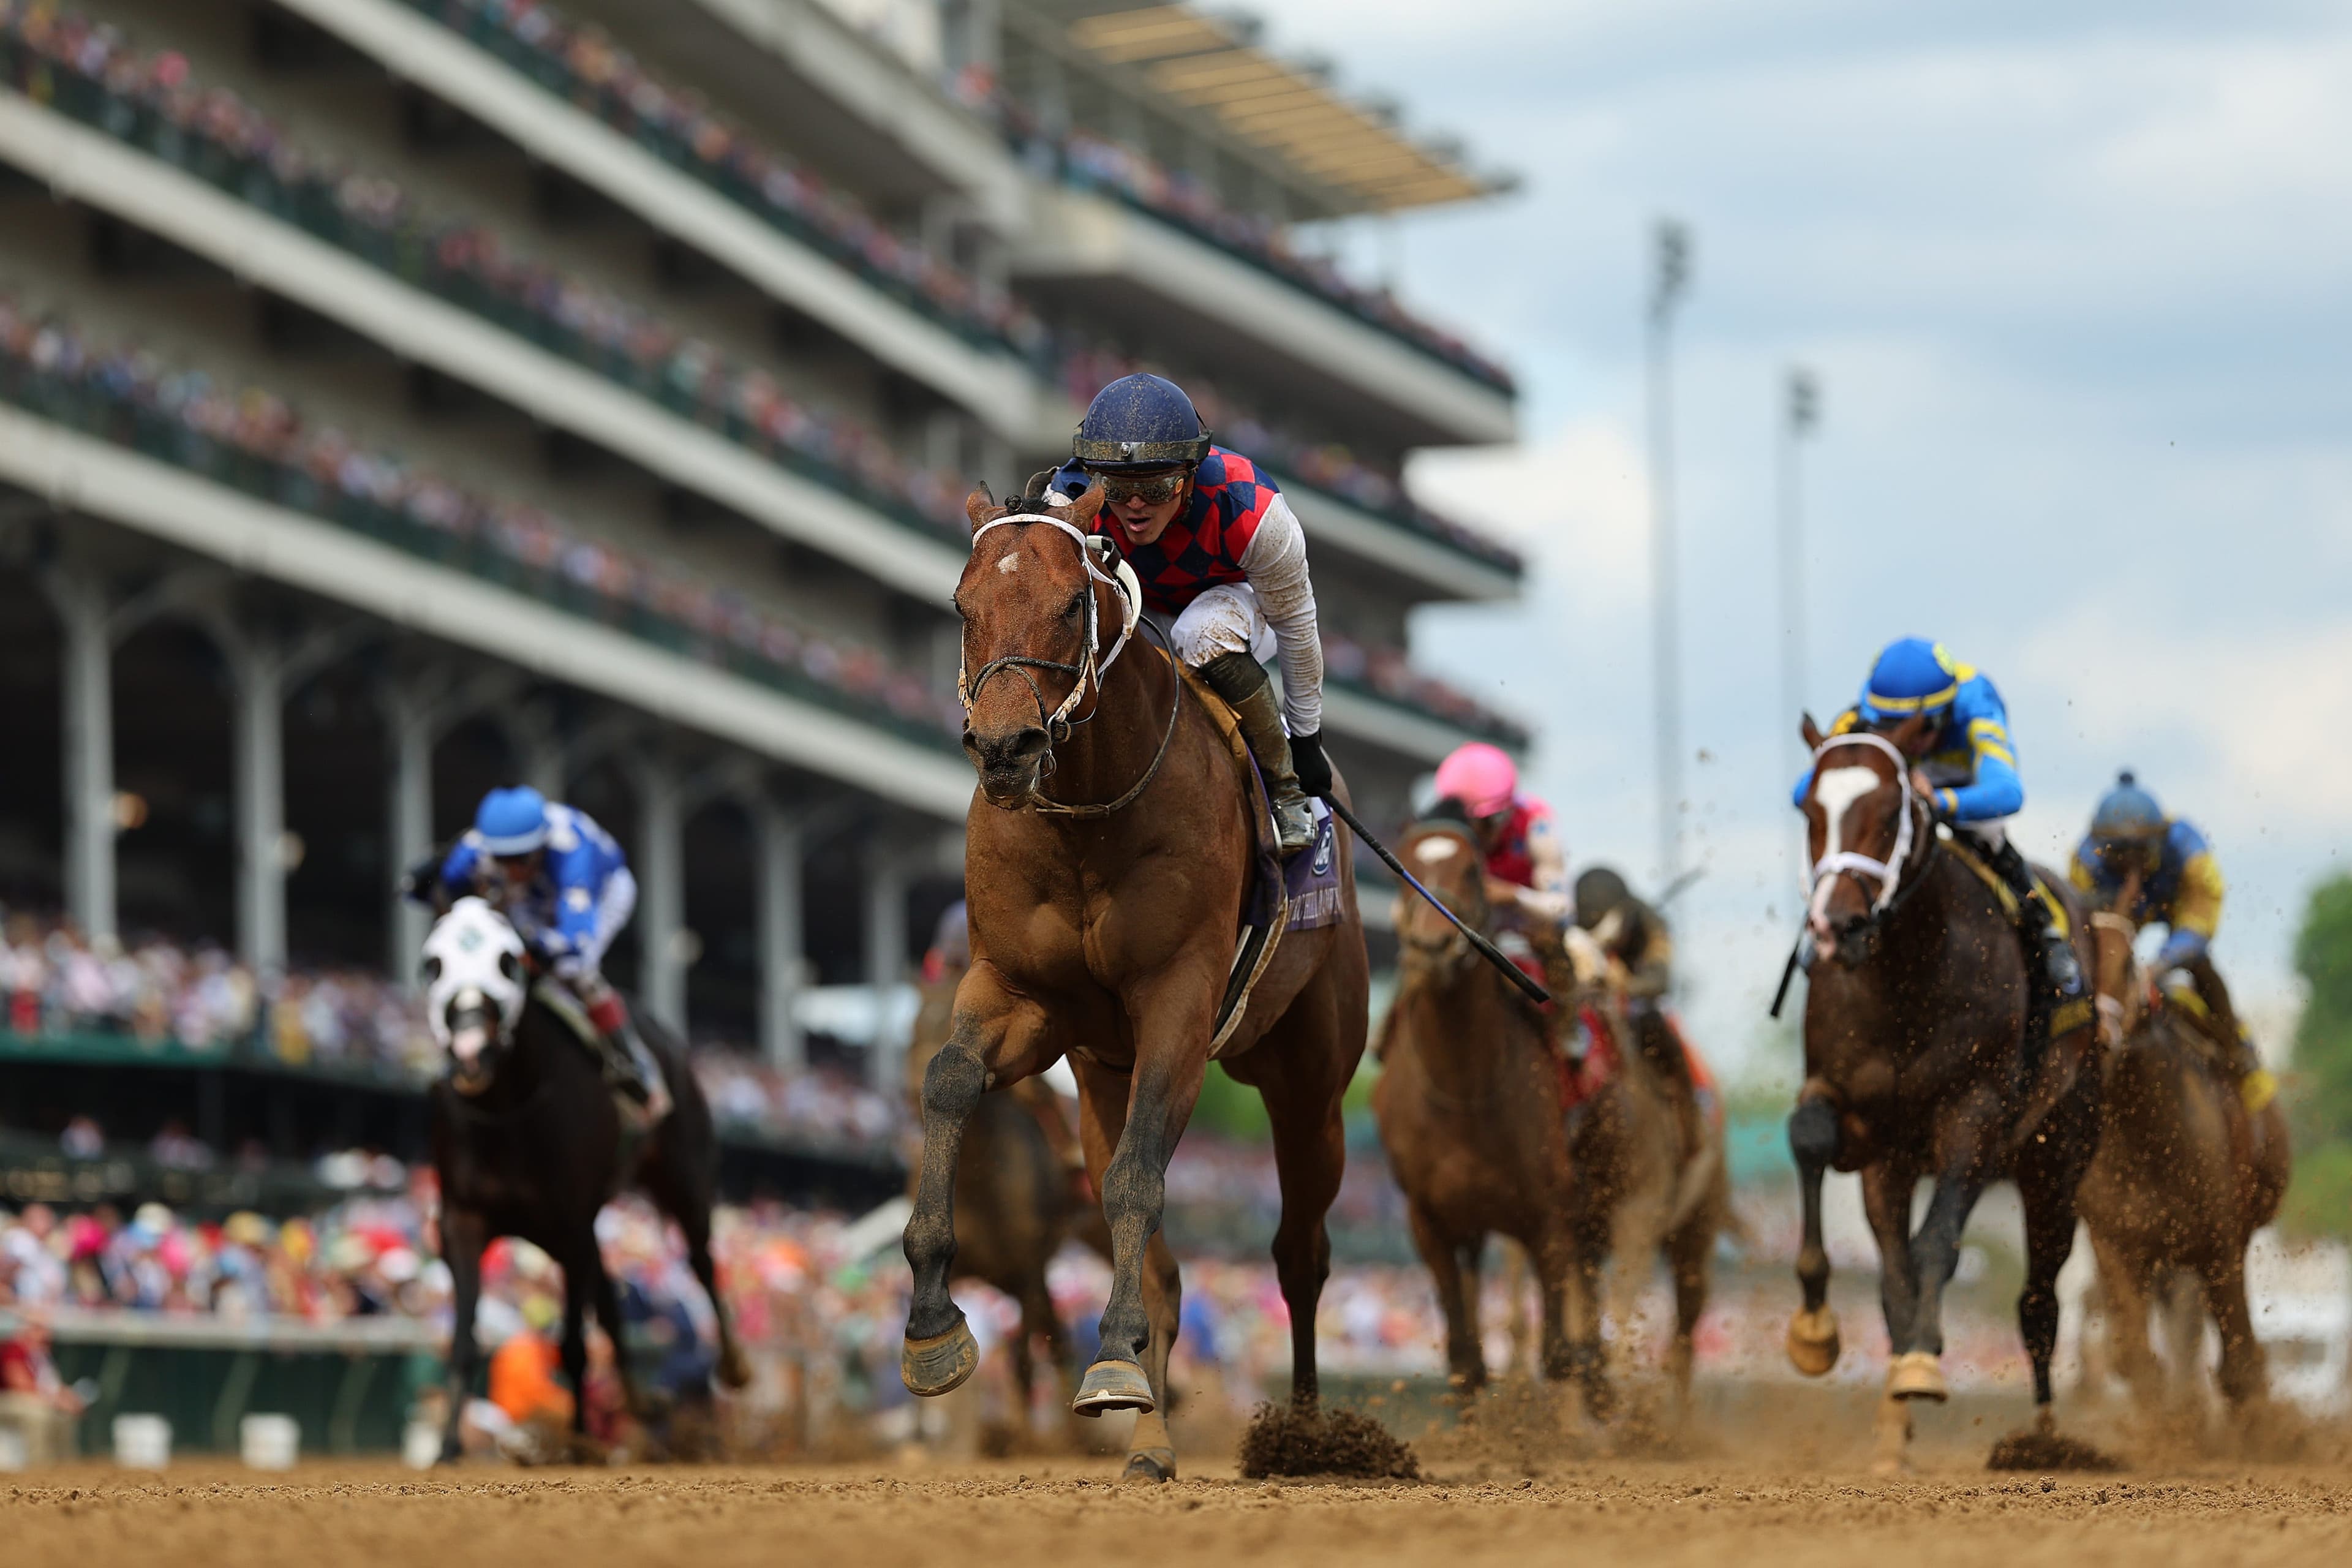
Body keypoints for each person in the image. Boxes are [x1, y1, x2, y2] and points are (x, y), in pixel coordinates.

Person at [1033, 373, 1329, 855]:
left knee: (1198, 631)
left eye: (1156, 487)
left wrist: (1308, 741)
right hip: (1140, 610)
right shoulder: (1066, 502)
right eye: (1117, 484)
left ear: (1190, 473)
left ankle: (1284, 790)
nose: (1134, 505)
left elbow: (1297, 630)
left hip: (1233, 608)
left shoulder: (1257, 514)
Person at [1797, 638, 2083, 1003]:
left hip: (1960, 786)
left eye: (1917, 728)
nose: (1901, 738)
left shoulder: (1975, 700)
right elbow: (1802, 793)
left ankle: (2046, 932)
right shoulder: (1858, 717)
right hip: (1897, 796)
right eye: (1886, 725)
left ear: (1945, 714)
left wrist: (1941, 801)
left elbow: (2008, 792)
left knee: (1990, 837)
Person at [437, 785, 668, 1117]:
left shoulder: (573, 855)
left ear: (540, 847)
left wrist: (536, 946)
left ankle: (632, 1062)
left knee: (576, 973)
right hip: (536, 895)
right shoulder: (477, 847)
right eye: (502, 860)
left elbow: (574, 941)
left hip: (603, 894)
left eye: (519, 860)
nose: (509, 869)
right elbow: (446, 887)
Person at [2070, 772, 2273, 1108]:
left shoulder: (2189, 851)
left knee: (2201, 967)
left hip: (2175, 905)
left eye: (2139, 854)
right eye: (2118, 855)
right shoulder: (2085, 861)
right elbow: (2087, 930)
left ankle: (2239, 1051)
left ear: (2158, 842)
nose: (2129, 867)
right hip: (2118, 914)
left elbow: (2200, 925)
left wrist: (2161, 964)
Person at [1429, 742, 1585, 1036]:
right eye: (1466, 823)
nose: (1474, 833)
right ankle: (1393, 1029)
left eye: (1483, 823)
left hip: (1530, 932)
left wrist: (1512, 895)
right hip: (1477, 930)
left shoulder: (1536, 825)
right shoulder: (1447, 833)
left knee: (1553, 942)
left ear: (1502, 815)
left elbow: (1563, 909)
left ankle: (1569, 1032)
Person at [0, 1309, 83, 1465]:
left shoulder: (42, 1354)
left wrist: (67, 1399)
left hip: (37, 1399)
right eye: (38, 1328)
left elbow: (52, 1385)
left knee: (64, 1416)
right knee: (38, 1414)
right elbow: (20, 1385)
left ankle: (67, 1470)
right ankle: (39, 1469)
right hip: (9, 1399)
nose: (45, 1333)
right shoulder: (14, 1349)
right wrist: (54, 1400)